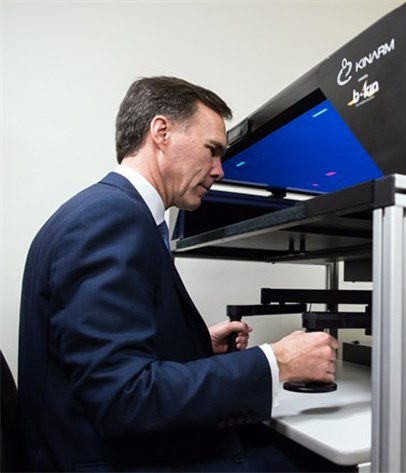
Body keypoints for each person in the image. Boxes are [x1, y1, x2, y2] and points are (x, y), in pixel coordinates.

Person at [17, 76, 344, 472]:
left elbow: (101, 356)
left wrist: (195, 344)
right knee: (330, 460)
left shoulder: (103, 212)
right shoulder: (111, 219)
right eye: (212, 151)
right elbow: (123, 399)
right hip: (116, 461)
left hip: (99, 449)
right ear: (161, 132)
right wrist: (277, 362)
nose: (219, 170)